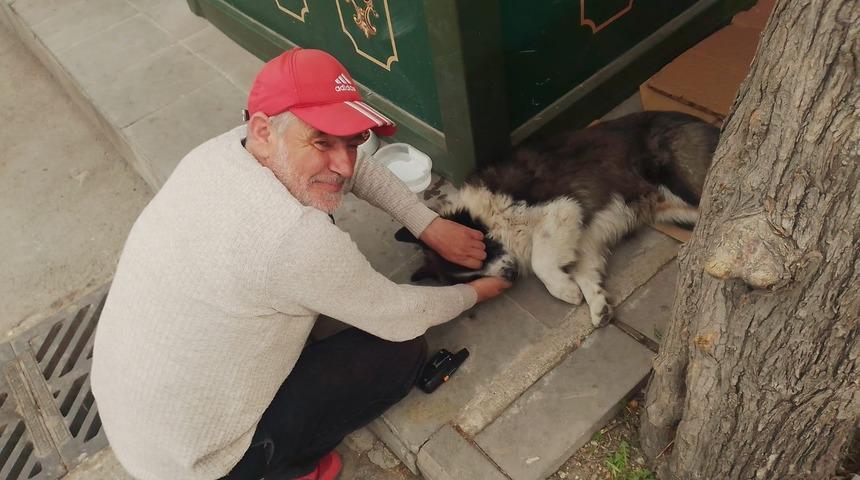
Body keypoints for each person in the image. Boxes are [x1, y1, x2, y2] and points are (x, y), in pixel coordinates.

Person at [90, 47, 511, 480]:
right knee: (401, 353)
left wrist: (427, 225)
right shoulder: (293, 238)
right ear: (263, 132)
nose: (344, 163)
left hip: (134, 413)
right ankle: (285, 467)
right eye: (321, 141)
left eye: (352, 141)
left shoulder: (224, 150)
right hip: (202, 465)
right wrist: (474, 292)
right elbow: (402, 316)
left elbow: (358, 171)